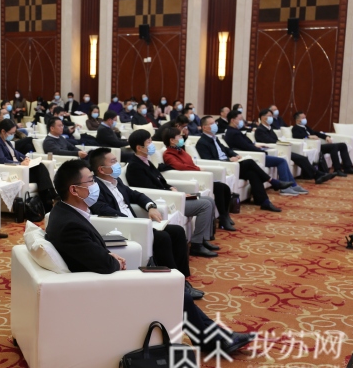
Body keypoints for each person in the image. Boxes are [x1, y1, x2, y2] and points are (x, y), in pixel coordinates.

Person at [46, 159, 255, 353]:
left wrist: (108, 254)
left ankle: (215, 338)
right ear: (74, 189)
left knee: (175, 287)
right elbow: (103, 264)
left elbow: (88, 250)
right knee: (175, 290)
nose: (95, 186)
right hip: (100, 288)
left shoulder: (66, 213)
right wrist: (111, 260)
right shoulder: (70, 224)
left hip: (99, 277)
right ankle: (212, 340)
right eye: (91, 181)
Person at [86, 151, 207, 297]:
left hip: (138, 223)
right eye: (113, 162)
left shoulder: (116, 181)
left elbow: (136, 195)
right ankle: (174, 284)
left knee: (177, 231)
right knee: (162, 238)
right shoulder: (95, 188)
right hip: (126, 228)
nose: (118, 164)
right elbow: (102, 209)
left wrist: (151, 207)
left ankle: (182, 278)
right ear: (101, 169)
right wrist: (137, 222)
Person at [125, 130, 221, 256]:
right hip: (165, 200)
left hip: (171, 195)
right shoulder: (135, 166)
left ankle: (203, 239)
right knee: (205, 205)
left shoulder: (146, 160)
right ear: (139, 147)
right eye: (149, 142)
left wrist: (171, 188)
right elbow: (149, 189)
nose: (152, 144)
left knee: (208, 199)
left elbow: (161, 181)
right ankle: (197, 245)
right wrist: (174, 194)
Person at [196, 116, 292, 212]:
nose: (215, 125)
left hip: (232, 165)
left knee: (252, 174)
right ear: (204, 127)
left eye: (215, 123)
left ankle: (264, 202)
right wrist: (229, 160)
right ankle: (273, 181)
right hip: (224, 167)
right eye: (211, 124)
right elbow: (209, 160)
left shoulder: (215, 138)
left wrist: (235, 155)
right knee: (249, 162)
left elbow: (227, 149)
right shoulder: (202, 143)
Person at [160, 127, 236, 231]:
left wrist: (196, 169)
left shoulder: (180, 150)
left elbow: (189, 163)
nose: (181, 138)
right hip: (188, 178)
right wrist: (198, 169)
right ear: (172, 140)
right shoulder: (168, 154)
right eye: (179, 136)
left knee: (225, 188)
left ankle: (225, 215)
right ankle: (223, 218)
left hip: (196, 176)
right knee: (219, 188)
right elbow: (180, 166)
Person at [223, 109, 307, 196]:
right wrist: (262, 151)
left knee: (282, 160)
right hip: (251, 155)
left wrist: (257, 145)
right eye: (240, 119)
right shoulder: (233, 133)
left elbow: (248, 144)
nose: (242, 121)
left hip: (253, 152)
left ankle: (293, 185)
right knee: (281, 161)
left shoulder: (235, 131)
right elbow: (246, 146)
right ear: (232, 120)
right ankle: (286, 188)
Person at [0, 119, 57, 212]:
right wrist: (20, 163)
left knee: (40, 166)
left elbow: (16, 154)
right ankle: (50, 197)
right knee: (40, 172)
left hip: (20, 168)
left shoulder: (7, 142)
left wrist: (26, 158)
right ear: (3, 131)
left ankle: (48, 199)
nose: (13, 135)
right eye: (11, 133)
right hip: (13, 171)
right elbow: (2, 160)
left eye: (14, 132)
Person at [254, 109, 334, 184]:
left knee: (302, 158)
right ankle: (317, 174)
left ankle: (317, 174)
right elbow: (269, 141)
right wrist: (281, 143)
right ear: (263, 118)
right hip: (273, 151)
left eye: (271, 116)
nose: (271, 118)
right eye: (269, 116)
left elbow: (275, 140)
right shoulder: (260, 130)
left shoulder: (269, 128)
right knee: (301, 158)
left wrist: (282, 142)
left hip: (281, 149)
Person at [291, 111, 353, 176]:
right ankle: (337, 169)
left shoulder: (306, 127)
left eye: (305, 117)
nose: (305, 119)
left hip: (318, 145)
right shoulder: (296, 128)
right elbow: (296, 136)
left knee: (343, 145)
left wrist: (326, 136)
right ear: (298, 120)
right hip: (313, 146)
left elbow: (316, 133)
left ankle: (348, 167)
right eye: (303, 118)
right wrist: (308, 136)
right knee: (333, 147)